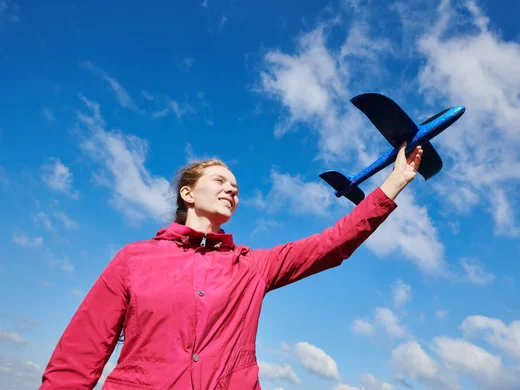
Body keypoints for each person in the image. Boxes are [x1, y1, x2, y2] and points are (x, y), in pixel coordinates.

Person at [40, 142, 423, 390]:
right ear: (187, 193)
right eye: (220, 180)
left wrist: (393, 184)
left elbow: (330, 245)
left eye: (236, 187)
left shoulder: (253, 267)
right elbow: (79, 355)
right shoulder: (133, 259)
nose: (232, 189)